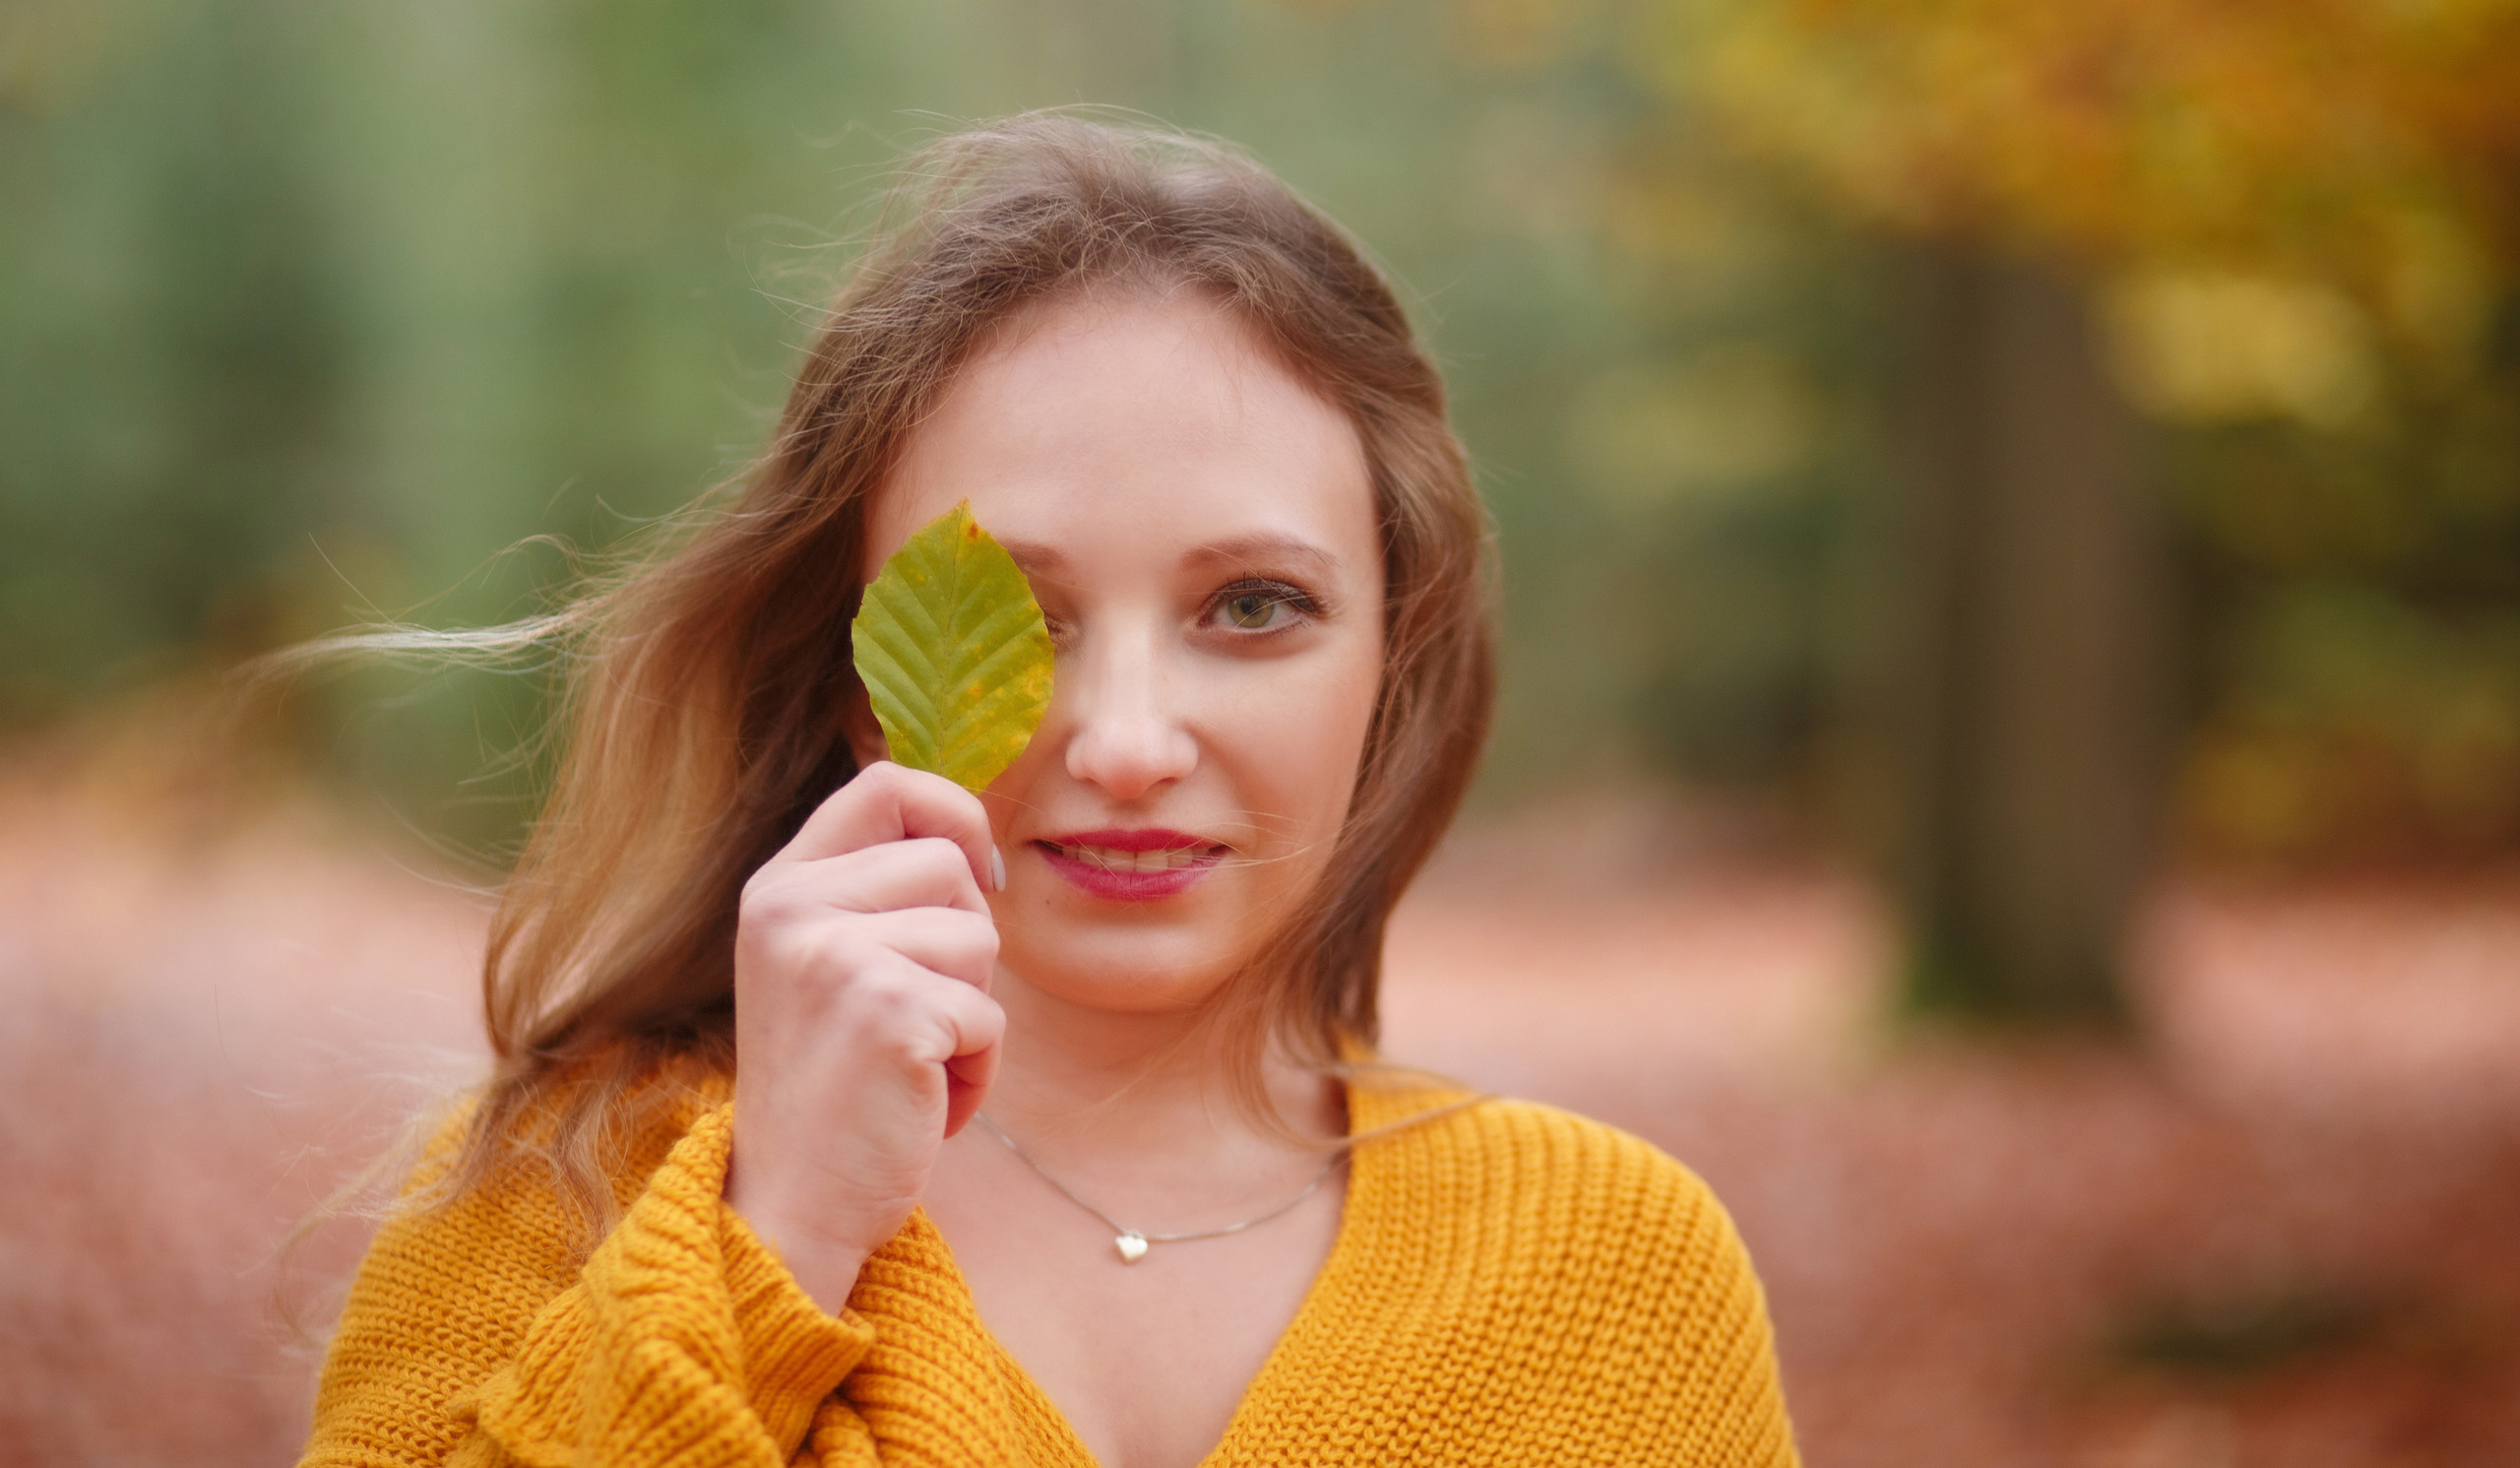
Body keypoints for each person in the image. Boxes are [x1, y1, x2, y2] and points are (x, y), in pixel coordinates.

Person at [298, 114, 1800, 1468]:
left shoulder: (1614, 1273)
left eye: (1255, 606)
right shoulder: (568, 1183)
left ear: (1389, 668)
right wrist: (775, 1236)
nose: (1129, 745)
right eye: (1007, 615)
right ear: (852, 683)